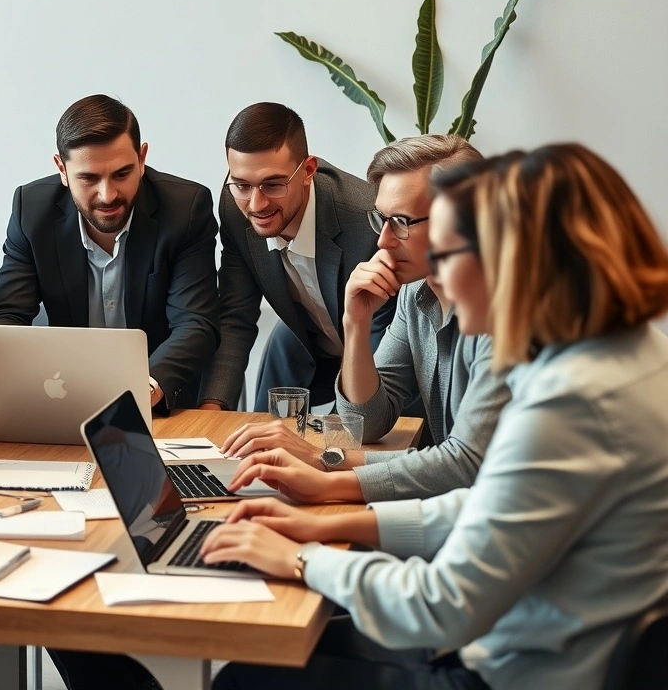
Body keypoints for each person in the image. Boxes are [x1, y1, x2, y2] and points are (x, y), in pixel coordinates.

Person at [202, 144, 668, 690]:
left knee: (251, 675)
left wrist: (305, 558)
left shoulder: (567, 402)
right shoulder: (630, 352)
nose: (438, 280)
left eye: (449, 255)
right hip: (531, 635)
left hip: (511, 668)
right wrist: (328, 523)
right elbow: (492, 502)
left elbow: (441, 604)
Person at [219, 135, 512, 505]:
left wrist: (323, 463)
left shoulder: (508, 312)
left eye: (402, 222)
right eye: (382, 220)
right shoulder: (416, 294)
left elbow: (466, 464)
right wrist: (355, 323)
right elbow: (369, 422)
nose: (384, 240)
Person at [0, 94, 219, 410]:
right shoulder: (32, 211)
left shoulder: (186, 210)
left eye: (122, 173)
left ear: (142, 158)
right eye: (89, 178)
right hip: (64, 399)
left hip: (161, 405)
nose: (108, 195)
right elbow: (6, 317)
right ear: (62, 169)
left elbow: (195, 323)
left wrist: (143, 389)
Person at [198, 102, 391, 411]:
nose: (256, 204)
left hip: (372, 351)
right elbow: (236, 316)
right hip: (303, 343)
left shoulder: (368, 222)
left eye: (273, 184)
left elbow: (388, 346)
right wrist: (211, 408)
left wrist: (341, 433)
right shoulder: (237, 206)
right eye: (242, 184)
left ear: (308, 171)